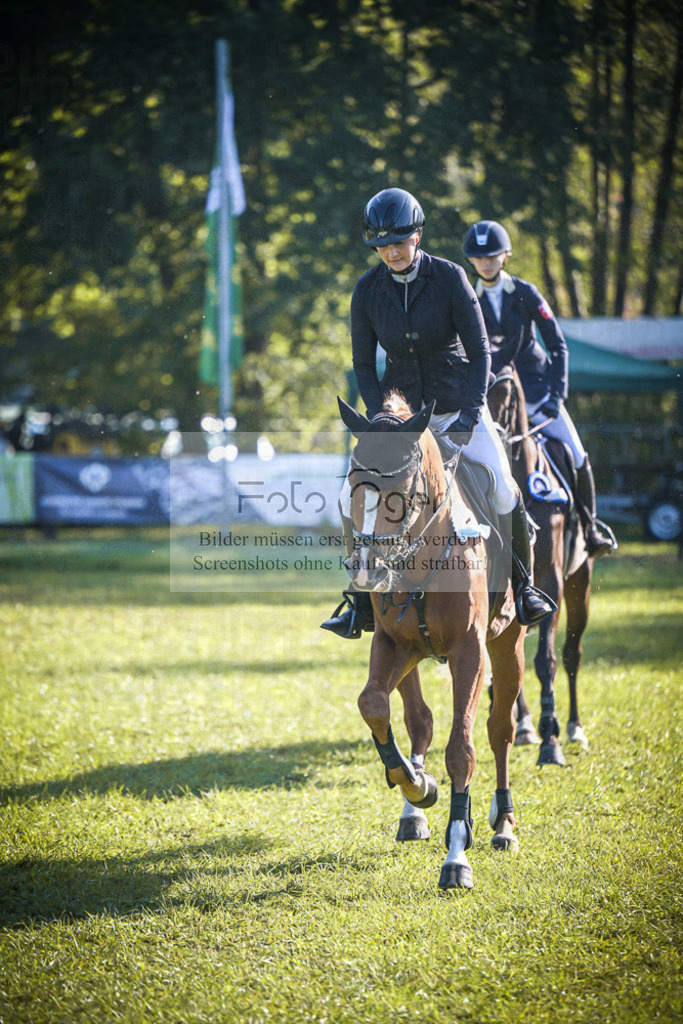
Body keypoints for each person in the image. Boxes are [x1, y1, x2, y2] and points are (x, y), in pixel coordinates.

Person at [321, 187, 556, 639]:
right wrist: (380, 423)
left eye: (400, 241)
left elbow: (481, 353)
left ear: (417, 235)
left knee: (505, 490)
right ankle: (359, 602)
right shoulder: (367, 291)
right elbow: (363, 365)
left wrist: (470, 414)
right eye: (382, 244)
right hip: (403, 425)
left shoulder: (449, 278)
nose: (391, 251)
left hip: (457, 408)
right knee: (348, 500)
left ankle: (523, 590)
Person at [463, 219, 617, 559]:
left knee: (577, 453)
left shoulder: (526, 293)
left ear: (505, 256)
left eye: (492, 256)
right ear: (472, 261)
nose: (486, 263)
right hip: (495, 400)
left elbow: (558, 347)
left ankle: (591, 527)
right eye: (479, 257)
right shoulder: (468, 299)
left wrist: (556, 396)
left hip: (538, 393)